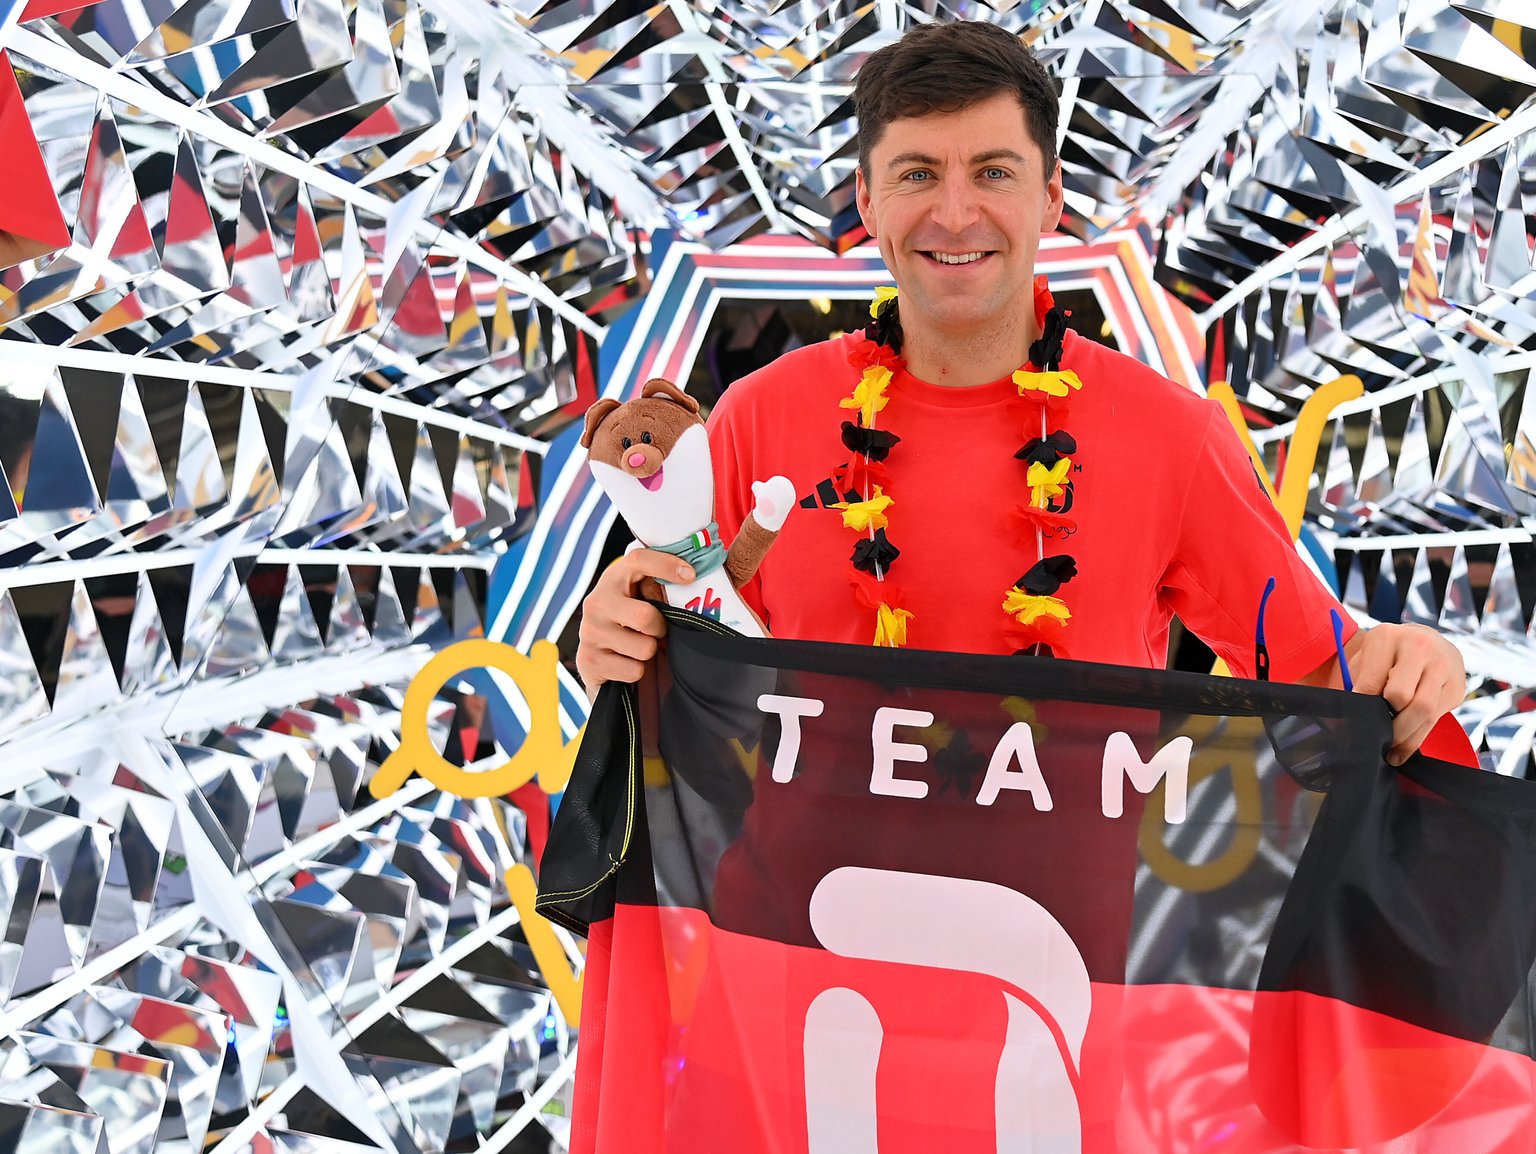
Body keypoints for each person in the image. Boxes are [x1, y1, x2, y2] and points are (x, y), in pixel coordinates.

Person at [573, 20, 1467, 763]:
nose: (955, 215)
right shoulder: (760, 416)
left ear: (1049, 198)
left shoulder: (1171, 436)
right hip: (792, 942)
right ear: (868, 202)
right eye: (917, 173)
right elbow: (685, 665)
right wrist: (615, 640)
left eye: (993, 173)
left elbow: (1320, 684)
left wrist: (1405, 664)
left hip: (1068, 956)